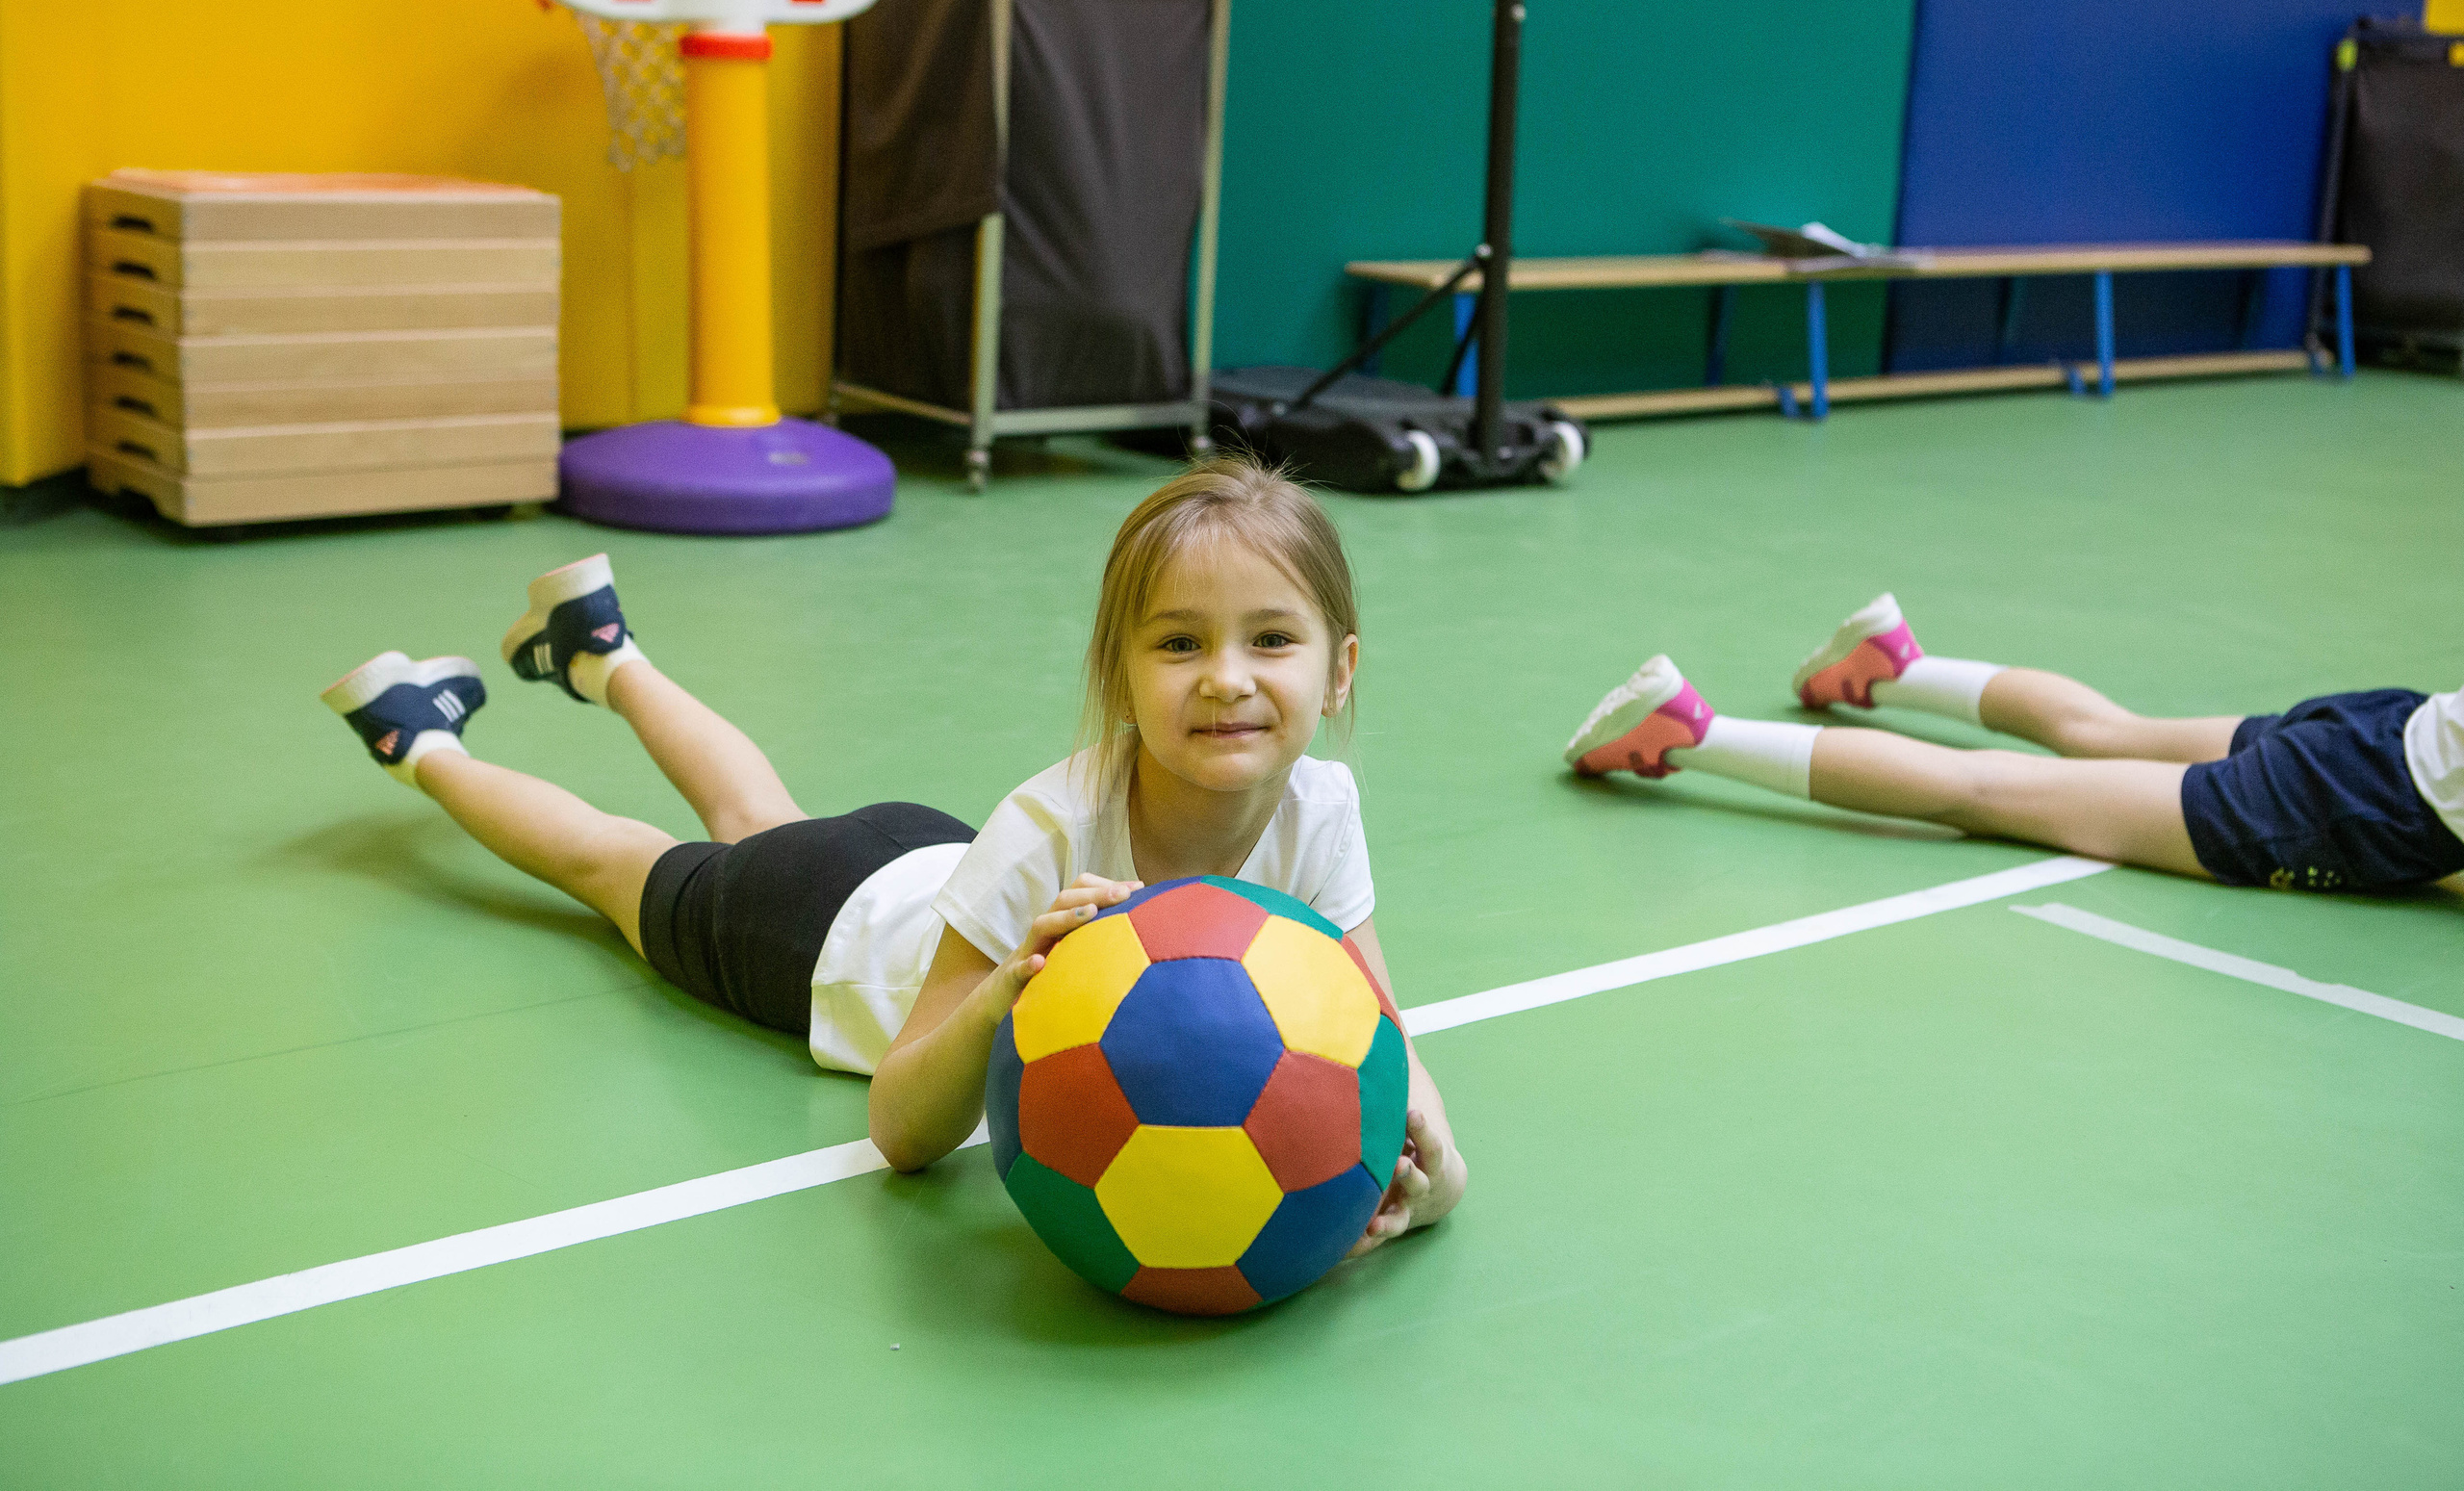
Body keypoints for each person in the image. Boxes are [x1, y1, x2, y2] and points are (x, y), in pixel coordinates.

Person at [319, 457, 1464, 1255]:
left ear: (1340, 669)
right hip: (823, 936)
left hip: (929, 864)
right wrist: (1012, 987)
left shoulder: (1321, 805)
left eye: (1271, 639)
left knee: (757, 810)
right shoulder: (1052, 824)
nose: (1225, 676)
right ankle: (417, 740)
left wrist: (1434, 1181)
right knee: (617, 865)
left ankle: (601, 652)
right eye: (1178, 643)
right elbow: (905, 1133)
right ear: (1120, 676)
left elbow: (1378, 1037)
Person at [1562, 592, 2464, 894]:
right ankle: (1687, 733)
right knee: (1990, 795)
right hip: (2355, 800)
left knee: (2110, 734)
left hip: (2395, 727)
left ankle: (1892, 668)